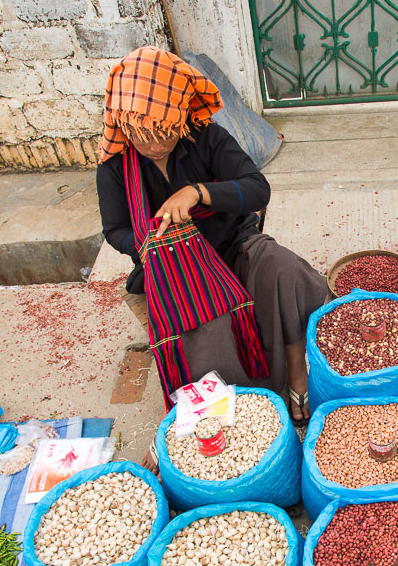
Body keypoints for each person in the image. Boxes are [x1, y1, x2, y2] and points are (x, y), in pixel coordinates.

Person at [95, 46, 328, 470]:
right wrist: (146, 241)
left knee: (285, 272)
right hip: (172, 267)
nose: (150, 142)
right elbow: (115, 231)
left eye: (161, 132)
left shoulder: (207, 137)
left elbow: (256, 190)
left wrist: (198, 192)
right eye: (139, 132)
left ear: (181, 115)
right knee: (208, 329)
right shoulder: (114, 168)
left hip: (230, 246)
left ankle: (297, 377)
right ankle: (232, 417)